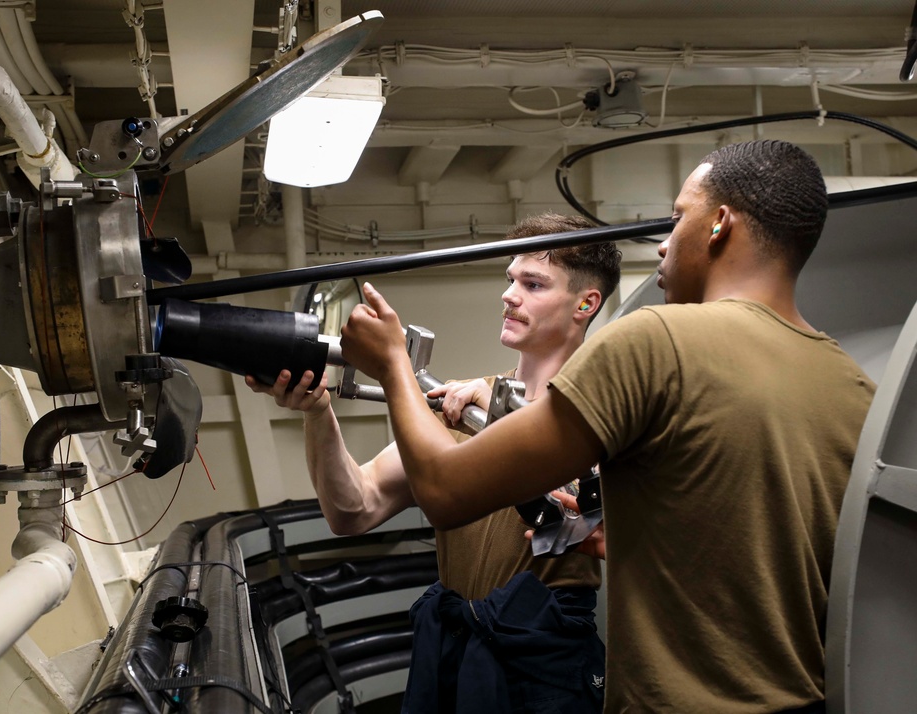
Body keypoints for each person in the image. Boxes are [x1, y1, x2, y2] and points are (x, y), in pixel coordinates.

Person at [338, 140, 876, 714]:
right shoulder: (856, 388)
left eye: (677, 219)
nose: (666, 243)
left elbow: (444, 492)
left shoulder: (656, 340)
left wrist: (394, 365)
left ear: (719, 224)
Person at [246, 213, 621, 713]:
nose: (509, 295)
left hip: (542, 662)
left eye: (533, 284)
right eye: (511, 279)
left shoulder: (605, 412)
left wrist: (476, 408)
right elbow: (354, 509)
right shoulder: (458, 404)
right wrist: (318, 412)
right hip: (454, 647)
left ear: (586, 303)